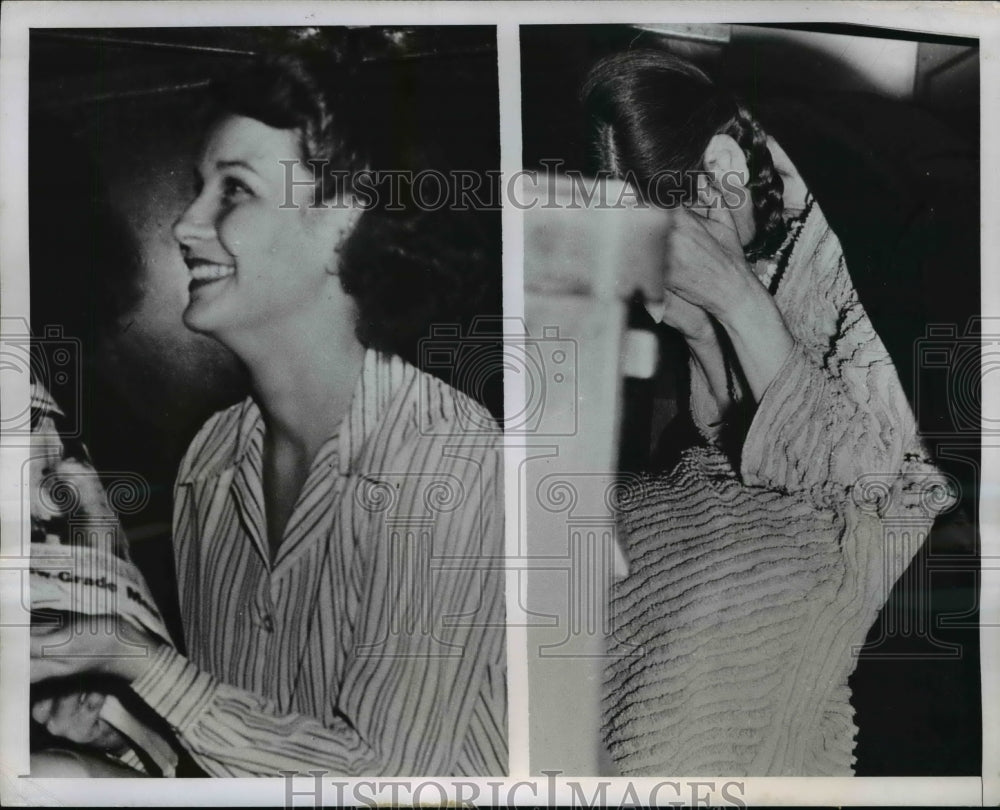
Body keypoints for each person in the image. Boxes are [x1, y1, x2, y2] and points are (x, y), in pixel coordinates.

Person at [31, 49, 506, 777]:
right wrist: (118, 727)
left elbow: (387, 783)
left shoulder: (454, 463)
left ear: (343, 222)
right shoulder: (212, 461)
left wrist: (134, 657)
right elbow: (250, 751)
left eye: (234, 191)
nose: (186, 224)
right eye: (199, 188)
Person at [582, 51, 960, 775]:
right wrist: (699, 330)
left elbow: (880, 482)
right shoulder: (748, 203)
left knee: (680, 680)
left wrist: (734, 298)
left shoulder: (877, 212)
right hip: (781, 507)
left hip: (891, 520)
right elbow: (740, 436)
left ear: (723, 166)